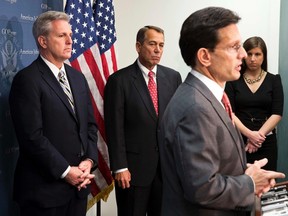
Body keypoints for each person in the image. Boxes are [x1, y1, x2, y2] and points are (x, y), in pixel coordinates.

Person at [158, 7, 285, 216]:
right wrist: (250, 183)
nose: (243, 55)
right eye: (235, 47)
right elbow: (202, 188)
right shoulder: (195, 108)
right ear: (205, 56)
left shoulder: (208, 97)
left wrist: (245, 173)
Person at [9, 11, 98, 216]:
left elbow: (90, 127)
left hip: (77, 190)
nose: (70, 41)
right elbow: (32, 137)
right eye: (61, 36)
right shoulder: (27, 80)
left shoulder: (77, 78)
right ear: (43, 41)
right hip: (44, 194)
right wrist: (67, 171)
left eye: (70, 35)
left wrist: (89, 162)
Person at [104, 25, 182, 216]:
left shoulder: (173, 77)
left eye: (161, 45)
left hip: (165, 171)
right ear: (138, 46)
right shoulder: (119, 80)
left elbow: (177, 123)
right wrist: (120, 166)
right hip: (132, 171)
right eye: (152, 44)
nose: (158, 50)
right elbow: (114, 128)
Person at [225, 36, 284, 171]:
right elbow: (229, 112)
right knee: (241, 184)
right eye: (249, 54)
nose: (252, 59)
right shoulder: (233, 80)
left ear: (264, 56)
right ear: (244, 55)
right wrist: (250, 135)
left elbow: (277, 113)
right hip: (239, 140)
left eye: (257, 54)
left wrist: (257, 138)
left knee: (267, 186)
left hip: (266, 143)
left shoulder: (274, 80)